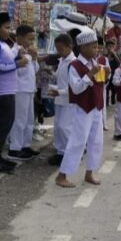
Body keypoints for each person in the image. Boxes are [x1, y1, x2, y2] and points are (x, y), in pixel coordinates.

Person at [55, 29, 106, 188]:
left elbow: (99, 84)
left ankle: (89, 172)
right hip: (83, 108)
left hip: (96, 107)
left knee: (96, 142)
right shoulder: (74, 65)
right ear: (83, 48)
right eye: (93, 47)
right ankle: (62, 175)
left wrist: (105, 75)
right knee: (78, 141)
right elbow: (76, 88)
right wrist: (90, 74)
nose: (96, 50)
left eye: (96, 46)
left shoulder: (94, 62)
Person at [0, 12, 29, 173]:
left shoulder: (3, 45)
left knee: (4, 125)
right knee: (1, 126)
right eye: (7, 28)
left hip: (8, 91)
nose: (9, 31)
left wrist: (18, 57)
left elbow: (7, 62)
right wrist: (19, 64)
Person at [7, 25, 40, 161]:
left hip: (29, 89)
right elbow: (17, 70)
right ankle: (14, 148)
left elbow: (35, 69)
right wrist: (23, 58)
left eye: (33, 40)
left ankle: (25, 145)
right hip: (19, 89)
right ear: (19, 37)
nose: (31, 42)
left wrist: (34, 58)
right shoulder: (14, 51)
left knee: (29, 120)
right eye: (29, 39)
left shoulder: (27, 51)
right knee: (19, 120)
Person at [47, 33, 76, 166]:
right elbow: (61, 78)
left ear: (70, 47)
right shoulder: (62, 61)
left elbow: (73, 87)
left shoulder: (73, 63)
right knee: (58, 127)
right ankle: (60, 152)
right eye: (57, 49)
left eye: (61, 49)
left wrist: (58, 91)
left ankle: (69, 153)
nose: (59, 52)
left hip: (68, 100)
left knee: (65, 128)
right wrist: (51, 74)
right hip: (60, 99)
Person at [96, 36, 112, 131]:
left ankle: (104, 123)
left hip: (102, 84)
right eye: (98, 47)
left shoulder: (104, 59)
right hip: (93, 84)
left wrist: (105, 81)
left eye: (101, 48)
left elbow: (109, 71)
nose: (99, 50)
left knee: (103, 104)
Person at [105, 38, 120, 106]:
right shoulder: (105, 55)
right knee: (107, 88)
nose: (111, 48)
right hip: (107, 75)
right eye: (109, 46)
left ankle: (113, 100)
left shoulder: (116, 54)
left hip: (114, 74)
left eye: (112, 46)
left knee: (114, 89)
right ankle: (107, 102)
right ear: (106, 47)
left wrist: (114, 54)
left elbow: (119, 63)